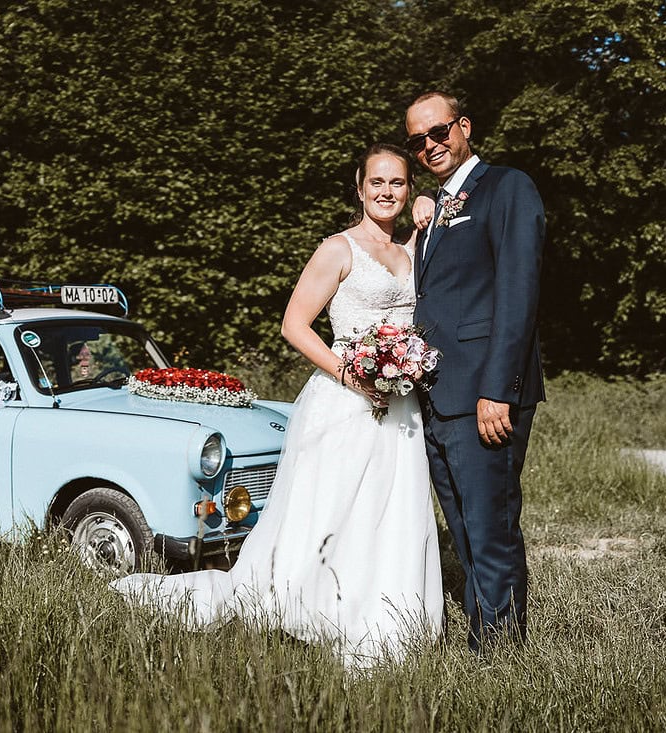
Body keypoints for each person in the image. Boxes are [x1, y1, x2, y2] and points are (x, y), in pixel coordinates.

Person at [111, 143, 443, 669]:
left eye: (398, 183)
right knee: (331, 505)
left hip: (400, 406)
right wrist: (352, 376)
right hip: (344, 400)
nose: (386, 192)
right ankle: (312, 606)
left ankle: (386, 610)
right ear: (359, 189)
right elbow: (294, 325)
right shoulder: (338, 249)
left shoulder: (413, 248)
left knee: (390, 508)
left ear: (408, 190)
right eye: (376, 182)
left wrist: (428, 207)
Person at [404, 91, 545, 652]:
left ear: (463, 126)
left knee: (490, 527)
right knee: (462, 528)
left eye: (439, 133)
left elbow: (518, 292)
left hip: (485, 393)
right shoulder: (435, 206)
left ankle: (502, 653)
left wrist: (498, 389)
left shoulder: (507, 187)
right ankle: (483, 630)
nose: (430, 146)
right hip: (438, 395)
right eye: (418, 141)